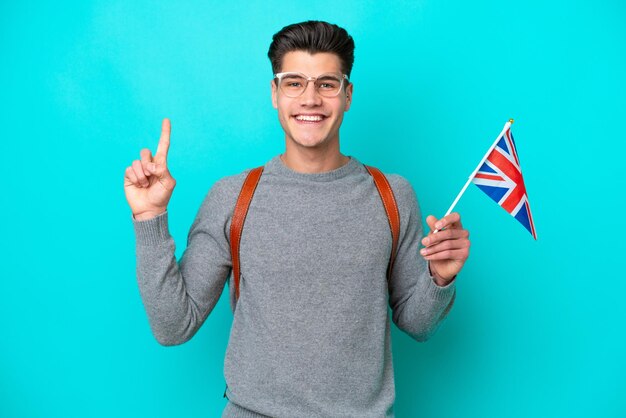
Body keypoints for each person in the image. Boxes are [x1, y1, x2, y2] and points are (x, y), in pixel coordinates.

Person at [124, 20, 470, 418]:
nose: (310, 98)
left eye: (326, 83)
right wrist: (150, 216)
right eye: (293, 82)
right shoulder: (233, 197)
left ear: (347, 95)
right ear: (275, 93)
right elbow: (173, 326)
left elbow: (418, 324)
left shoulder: (392, 195)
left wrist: (439, 278)